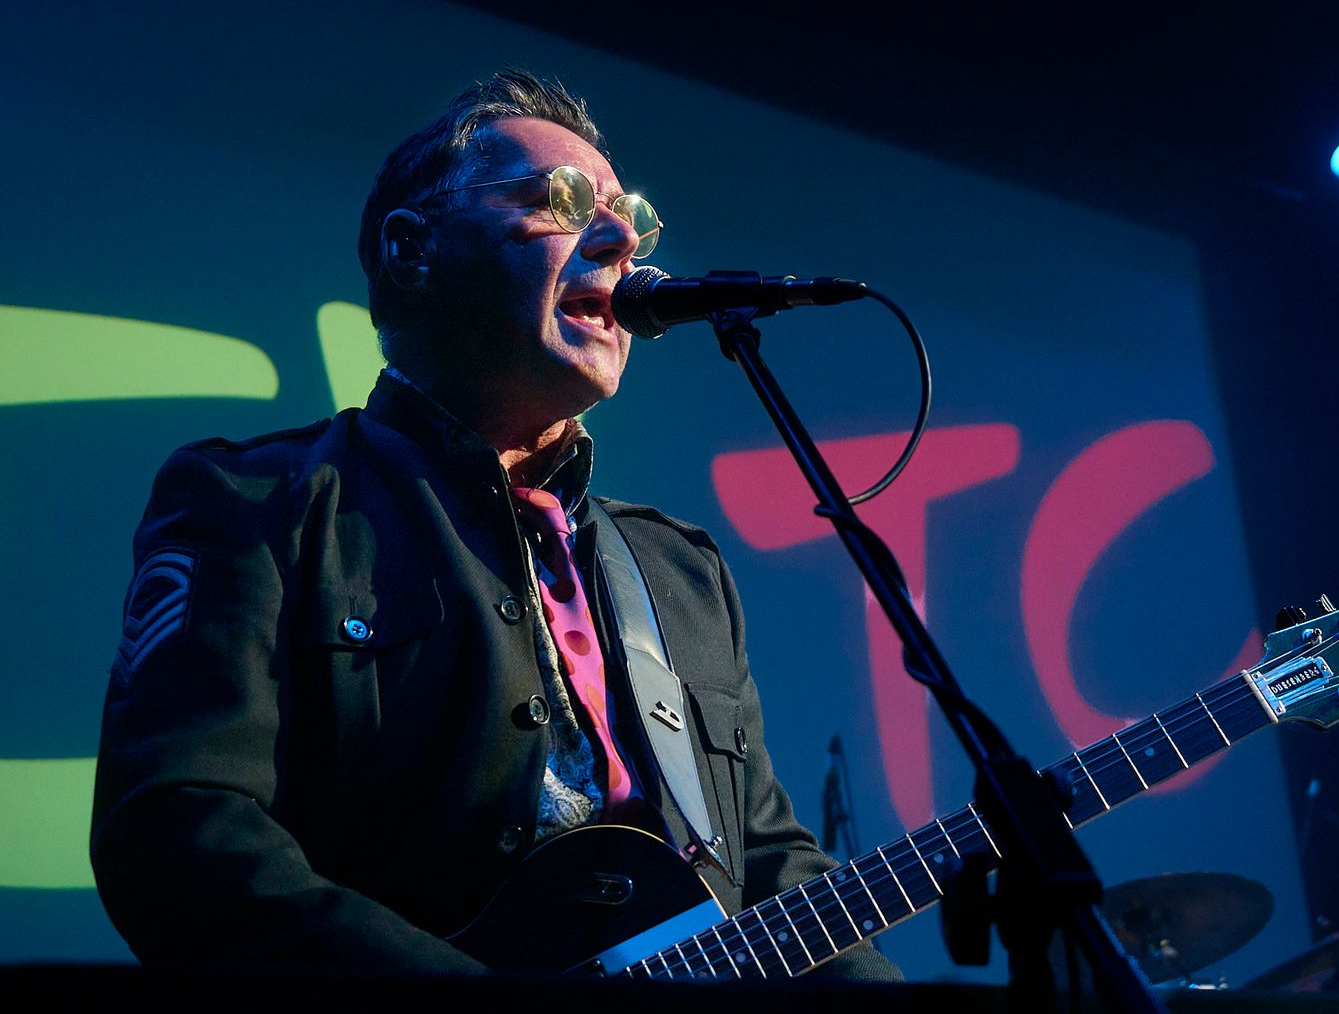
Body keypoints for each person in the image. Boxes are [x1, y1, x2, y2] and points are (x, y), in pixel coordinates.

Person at [91, 70, 901, 981]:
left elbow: (768, 866)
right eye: (563, 201)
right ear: (413, 250)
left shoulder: (680, 569)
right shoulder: (258, 500)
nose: (621, 241)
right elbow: (177, 831)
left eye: (630, 217)